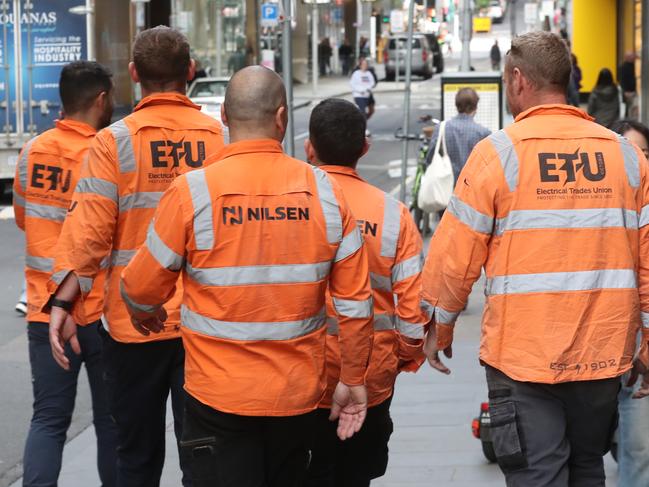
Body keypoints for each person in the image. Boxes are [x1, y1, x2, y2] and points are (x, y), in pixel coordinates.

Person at [119, 66, 373, 487]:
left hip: (217, 395)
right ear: (281, 118)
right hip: (295, 397)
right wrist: (352, 379)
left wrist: (144, 311)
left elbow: (140, 286)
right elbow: (355, 304)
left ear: (223, 115)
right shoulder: (326, 192)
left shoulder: (191, 192)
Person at [421, 31, 649, 486]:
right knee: (588, 468)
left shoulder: (499, 154)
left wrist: (438, 326)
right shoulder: (625, 156)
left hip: (522, 359)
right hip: (601, 357)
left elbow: (455, 255)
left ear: (519, 80)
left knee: (537, 476)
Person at [47, 26, 224, 487]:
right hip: (206, 325)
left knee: (135, 458)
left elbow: (89, 232)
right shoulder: (221, 137)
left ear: (133, 74)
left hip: (131, 326)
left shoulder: (112, 143)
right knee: (205, 456)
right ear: (190, 71)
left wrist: (63, 304)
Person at [304, 98, 427, 486]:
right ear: (364, 148)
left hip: (303, 378)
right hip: (370, 382)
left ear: (309, 147)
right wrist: (400, 360)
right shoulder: (394, 216)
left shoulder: (294, 209)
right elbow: (411, 318)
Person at [12, 60, 118, 487]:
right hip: (100, 311)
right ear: (101, 100)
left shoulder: (32, 150)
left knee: (49, 419)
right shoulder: (107, 152)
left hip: (45, 311)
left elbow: (23, 217)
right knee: (112, 423)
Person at [610, 119, 649, 487]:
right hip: (610, 354)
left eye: (644, 153)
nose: (638, 162)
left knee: (638, 452)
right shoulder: (598, 216)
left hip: (642, 356)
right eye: (629, 154)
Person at [425, 87, 490, 185]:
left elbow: (430, 157)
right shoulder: (483, 133)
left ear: (456, 105)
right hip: (471, 189)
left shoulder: (441, 128)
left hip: (445, 188)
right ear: (475, 107)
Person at [350, 58, 376, 131]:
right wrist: (360, 90)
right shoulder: (356, 74)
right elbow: (352, 84)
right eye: (363, 64)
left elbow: (372, 82)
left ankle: (360, 122)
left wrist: (368, 88)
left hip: (367, 94)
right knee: (362, 111)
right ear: (360, 65)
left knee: (371, 110)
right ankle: (364, 128)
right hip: (359, 95)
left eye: (366, 64)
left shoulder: (369, 73)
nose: (365, 66)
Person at [619, 52, 637, 118]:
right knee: (628, 107)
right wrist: (625, 91)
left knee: (632, 107)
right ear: (627, 57)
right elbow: (622, 80)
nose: (633, 58)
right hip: (628, 91)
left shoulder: (634, 66)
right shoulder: (624, 67)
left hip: (633, 90)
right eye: (631, 56)